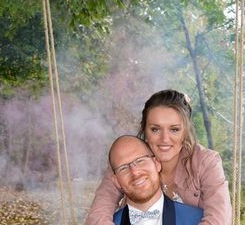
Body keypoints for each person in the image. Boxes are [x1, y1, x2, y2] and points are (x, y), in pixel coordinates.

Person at [86, 90, 232, 225]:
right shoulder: (126, 160)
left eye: (174, 129)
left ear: (185, 132)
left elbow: (219, 218)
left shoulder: (206, 162)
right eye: (155, 129)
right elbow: (98, 214)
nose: (164, 139)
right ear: (144, 130)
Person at [109, 135, 203, 225]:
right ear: (116, 181)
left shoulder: (199, 219)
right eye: (123, 168)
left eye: (140, 161)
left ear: (157, 164)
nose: (135, 172)